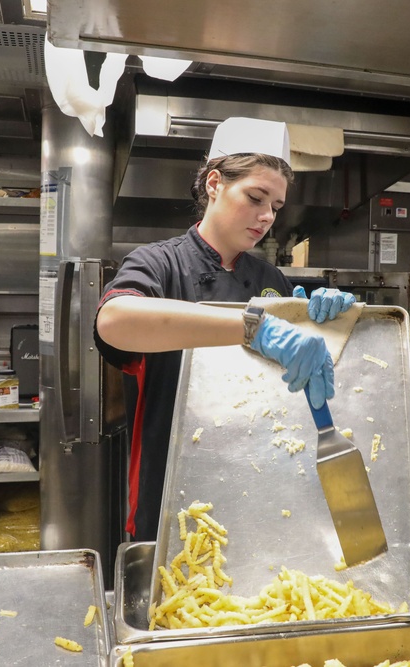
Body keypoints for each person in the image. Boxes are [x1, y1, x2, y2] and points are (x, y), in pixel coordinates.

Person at [94, 117, 356, 541]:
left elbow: (293, 380)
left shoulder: (271, 277)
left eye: (275, 206)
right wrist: (255, 328)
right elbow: (115, 321)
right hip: (172, 490)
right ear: (214, 183)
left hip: (258, 479)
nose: (267, 215)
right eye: (256, 197)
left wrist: (326, 326)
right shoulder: (159, 263)